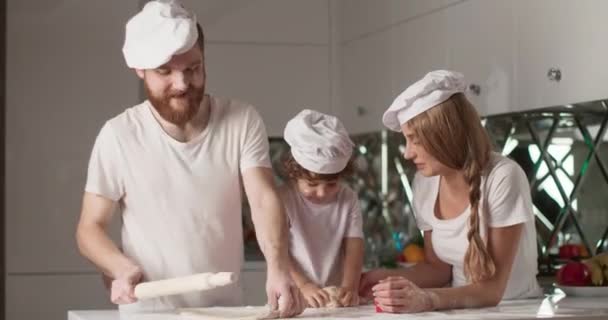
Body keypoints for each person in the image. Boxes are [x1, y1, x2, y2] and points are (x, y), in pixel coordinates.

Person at [75, 1, 304, 316]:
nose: (182, 84)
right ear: (139, 68)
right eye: (164, 71)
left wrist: (279, 268)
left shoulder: (241, 120)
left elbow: (263, 200)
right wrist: (119, 266)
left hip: (224, 311)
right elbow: (90, 228)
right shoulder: (119, 135)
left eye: (193, 69)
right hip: (150, 312)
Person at [359, 70, 542, 313]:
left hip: (515, 311)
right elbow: (437, 269)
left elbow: (492, 289)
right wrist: (381, 278)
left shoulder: (503, 177)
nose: (407, 153)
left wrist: (428, 299)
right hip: (457, 310)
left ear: (444, 136)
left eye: (415, 140)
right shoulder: (424, 183)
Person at [279, 110, 365, 308]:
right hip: (294, 291)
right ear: (295, 173)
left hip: (336, 294)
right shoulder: (283, 199)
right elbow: (279, 250)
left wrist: (350, 286)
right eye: (311, 184)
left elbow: (354, 248)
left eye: (332, 184)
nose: (322, 193)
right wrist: (304, 284)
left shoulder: (348, 198)